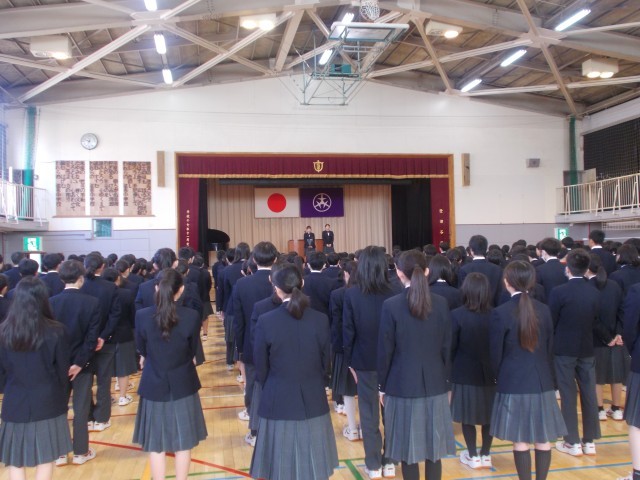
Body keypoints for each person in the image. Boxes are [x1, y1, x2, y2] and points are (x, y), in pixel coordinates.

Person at [250, 263, 338, 480]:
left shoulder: (266, 321)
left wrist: (273, 384)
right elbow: (325, 362)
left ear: (277, 289)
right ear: (303, 283)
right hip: (313, 397)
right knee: (314, 468)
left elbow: (261, 367)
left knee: (280, 469)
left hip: (277, 398)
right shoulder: (320, 319)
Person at [378, 250, 455, 480]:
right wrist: (447, 382)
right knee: (434, 451)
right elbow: (447, 347)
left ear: (399, 272)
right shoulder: (441, 303)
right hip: (436, 382)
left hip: (402, 385)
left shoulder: (391, 305)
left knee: (408, 452)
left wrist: (382, 386)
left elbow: (385, 351)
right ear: (427, 271)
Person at [490, 261, 566, 480]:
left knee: (520, 440)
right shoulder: (544, 310)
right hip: (542, 380)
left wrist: (498, 376)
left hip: (513, 381)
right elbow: (550, 348)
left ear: (507, 282)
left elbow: (495, 354)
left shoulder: (500, 313)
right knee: (543, 439)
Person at [133, 268, 207, 480]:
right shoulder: (192, 316)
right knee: (184, 443)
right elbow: (192, 350)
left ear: (156, 288)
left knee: (156, 444)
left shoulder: (142, 316)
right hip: (183, 382)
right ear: (181, 290)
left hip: (153, 382)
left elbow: (142, 348)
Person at [0, 277, 73, 479]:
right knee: (46, 458)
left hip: (15, 401)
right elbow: (63, 371)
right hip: (49, 400)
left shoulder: (3, 332)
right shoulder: (56, 330)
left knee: (16, 459)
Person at [343, 245, 402, 479]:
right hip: (393, 362)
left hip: (364, 362)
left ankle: (373, 465)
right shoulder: (396, 291)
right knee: (391, 413)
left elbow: (348, 333)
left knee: (369, 415)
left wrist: (350, 363)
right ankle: (390, 461)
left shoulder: (352, 294)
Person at [548, 249, 601, 456]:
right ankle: (590, 440)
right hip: (587, 347)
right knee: (589, 393)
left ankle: (572, 441)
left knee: (568, 394)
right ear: (587, 269)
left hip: (564, 349)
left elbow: (552, 321)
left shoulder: (559, 292)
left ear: (568, 268)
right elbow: (596, 321)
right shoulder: (594, 292)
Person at [49, 260, 101, 466]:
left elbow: (49, 337)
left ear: (62, 278)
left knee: (59, 408)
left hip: (58, 365)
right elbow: (91, 338)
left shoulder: (51, 302)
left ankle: (60, 453)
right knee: (81, 408)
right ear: (81, 278)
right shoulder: (92, 302)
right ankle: (80, 451)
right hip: (83, 364)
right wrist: (79, 363)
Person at [450, 272, 495, 470]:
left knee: (467, 416)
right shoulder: (496, 315)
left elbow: (451, 347)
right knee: (489, 416)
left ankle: (472, 454)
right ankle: (486, 453)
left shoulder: (457, 315)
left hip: (464, 372)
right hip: (490, 373)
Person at [586, 254, 626, 422]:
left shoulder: (587, 287)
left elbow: (592, 317)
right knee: (616, 375)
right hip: (616, 338)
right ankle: (616, 409)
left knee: (598, 375)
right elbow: (622, 311)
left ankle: (600, 409)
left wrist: (607, 337)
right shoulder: (614, 285)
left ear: (587, 269)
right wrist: (618, 334)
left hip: (596, 338)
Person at [329, 261, 360, 440]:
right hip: (363, 347)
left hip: (343, 346)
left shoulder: (338, 294)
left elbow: (336, 323)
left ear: (346, 274)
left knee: (347, 389)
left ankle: (353, 427)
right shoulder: (366, 293)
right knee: (366, 389)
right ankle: (365, 426)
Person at [621, 282, 640, 480]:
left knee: (636, 420)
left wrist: (634, 350)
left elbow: (629, 328)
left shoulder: (637, 290)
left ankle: (637, 473)